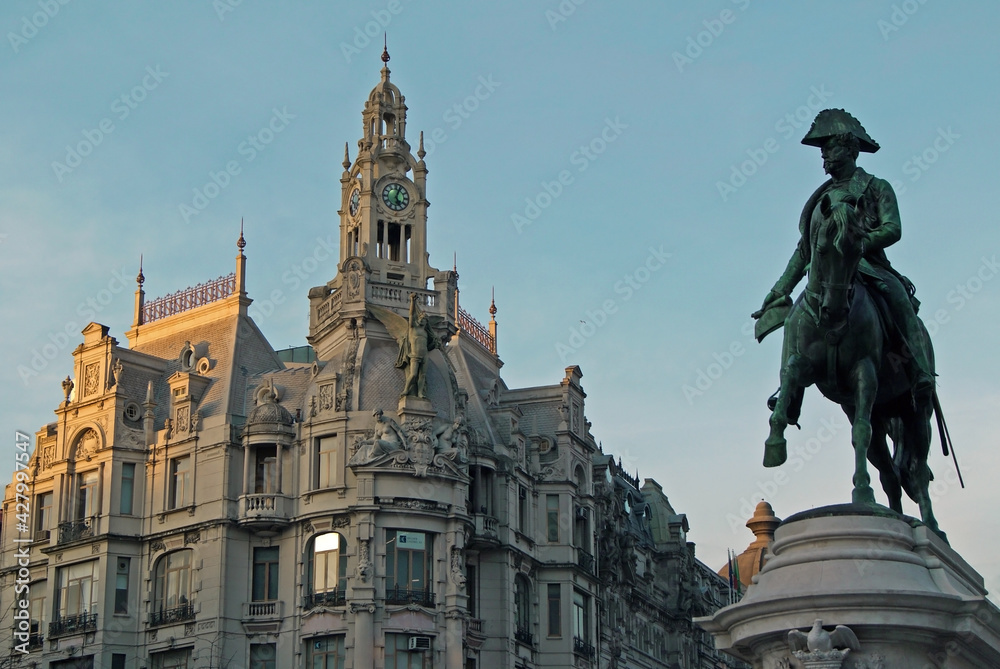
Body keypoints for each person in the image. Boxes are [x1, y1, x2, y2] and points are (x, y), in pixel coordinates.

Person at [754, 109, 934, 394]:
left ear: (850, 149)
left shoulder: (877, 187)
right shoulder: (820, 199)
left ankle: (920, 369)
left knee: (898, 297)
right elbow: (805, 250)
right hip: (826, 273)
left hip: (868, 267)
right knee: (795, 319)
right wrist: (780, 290)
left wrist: (860, 245)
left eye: (830, 148)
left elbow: (893, 228)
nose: (823, 155)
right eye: (822, 150)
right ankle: (788, 396)